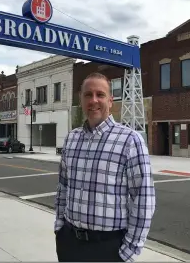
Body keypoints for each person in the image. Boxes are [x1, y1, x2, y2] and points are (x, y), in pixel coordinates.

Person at [54, 72, 156, 262]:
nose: (93, 100)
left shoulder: (130, 140)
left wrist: (128, 252)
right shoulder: (71, 139)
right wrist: (59, 229)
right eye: (88, 95)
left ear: (110, 100)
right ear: (81, 99)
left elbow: (143, 200)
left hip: (108, 249)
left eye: (100, 94)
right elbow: (63, 188)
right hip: (70, 244)